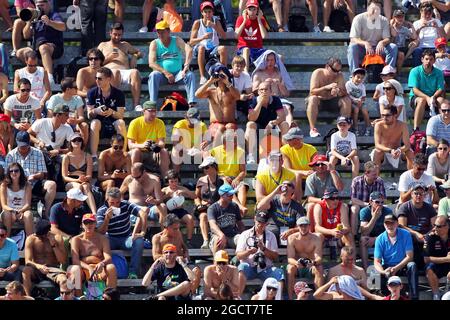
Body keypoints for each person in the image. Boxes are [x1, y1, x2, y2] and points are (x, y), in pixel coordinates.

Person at [96, 187, 149, 279]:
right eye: (112, 203)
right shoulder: (102, 210)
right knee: (99, 242)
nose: (115, 205)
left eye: (117, 202)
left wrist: (143, 232)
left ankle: (133, 272)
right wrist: (107, 219)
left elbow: (143, 213)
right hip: (110, 238)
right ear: (107, 200)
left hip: (126, 238)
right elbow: (101, 232)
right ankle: (103, 271)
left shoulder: (125, 205)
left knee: (139, 241)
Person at [5, 131, 56, 217]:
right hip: (17, 184)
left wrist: (34, 176)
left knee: (51, 184)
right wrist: (19, 178)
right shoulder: (11, 155)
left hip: (35, 183)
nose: (23, 148)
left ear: (29, 143)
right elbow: (7, 175)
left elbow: (43, 173)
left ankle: (46, 213)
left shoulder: (38, 153)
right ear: (17, 143)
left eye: (25, 145)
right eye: (21, 146)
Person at [15, 0, 66, 84]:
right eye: (38, 5)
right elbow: (26, 35)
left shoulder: (54, 15)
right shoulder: (35, 17)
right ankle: (39, 73)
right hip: (36, 48)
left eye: (42, 5)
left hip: (53, 47)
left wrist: (49, 22)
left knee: (43, 48)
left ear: (48, 5)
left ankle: (49, 77)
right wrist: (29, 22)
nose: (40, 7)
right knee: (20, 53)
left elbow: (63, 27)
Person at [148, 20, 196, 106]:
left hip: (178, 75)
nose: (160, 34)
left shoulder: (176, 40)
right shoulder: (154, 43)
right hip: (162, 75)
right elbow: (151, 63)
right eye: (158, 32)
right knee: (153, 75)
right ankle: (152, 104)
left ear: (168, 31)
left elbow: (189, 49)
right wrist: (166, 73)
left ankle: (191, 103)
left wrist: (186, 66)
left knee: (190, 75)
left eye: (162, 31)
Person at [236, 211, 284, 296]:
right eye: (259, 221)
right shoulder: (245, 234)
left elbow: (275, 257)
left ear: (267, 223)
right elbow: (239, 256)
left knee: (279, 272)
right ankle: (237, 297)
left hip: (265, 269)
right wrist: (249, 252)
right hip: (249, 267)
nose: (261, 224)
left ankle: (279, 298)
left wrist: (264, 249)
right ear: (254, 219)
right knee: (242, 267)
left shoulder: (271, 235)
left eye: (263, 222)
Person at [98, 23, 143, 111]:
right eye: (115, 34)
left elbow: (140, 53)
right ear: (110, 33)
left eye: (119, 35)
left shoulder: (125, 44)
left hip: (126, 72)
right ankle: (117, 104)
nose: (117, 37)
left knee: (135, 72)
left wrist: (135, 56)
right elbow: (96, 62)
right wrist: (109, 58)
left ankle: (137, 105)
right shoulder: (103, 45)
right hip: (110, 73)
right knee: (115, 72)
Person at [86, 66, 127, 165]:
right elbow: (89, 115)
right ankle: (94, 156)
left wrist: (111, 112)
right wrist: (96, 111)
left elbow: (120, 116)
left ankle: (123, 154)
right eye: (96, 78)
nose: (97, 80)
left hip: (112, 124)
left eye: (100, 78)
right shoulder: (92, 92)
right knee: (95, 122)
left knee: (121, 123)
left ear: (108, 79)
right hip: (99, 126)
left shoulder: (119, 94)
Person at [70, 213, 117, 295]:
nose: (89, 225)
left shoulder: (103, 239)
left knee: (111, 267)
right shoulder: (76, 239)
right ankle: (79, 297)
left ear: (95, 224)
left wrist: (102, 263)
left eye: (91, 222)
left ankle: (109, 296)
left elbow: (108, 258)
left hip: (99, 269)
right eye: (86, 223)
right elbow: (75, 261)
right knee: (75, 269)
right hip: (83, 269)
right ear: (82, 225)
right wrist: (89, 268)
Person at [374, 214, 418, 300]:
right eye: (387, 223)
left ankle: (414, 297)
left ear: (397, 223)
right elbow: (377, 262)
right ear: (384, 225)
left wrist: (396, 268)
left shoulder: (406, 234)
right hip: (387, 267)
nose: (389, 226)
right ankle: (378, 296)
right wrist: (383, 272)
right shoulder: (379, 239)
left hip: (402, 266)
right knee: (372, 270)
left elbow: (410, 256)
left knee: (412, 265)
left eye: (392, 223)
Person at [347, 0, 398, 73]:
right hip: (363, 48)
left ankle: (388, 73)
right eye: (373, 9)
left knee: (393, 47)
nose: (375, 11)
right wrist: (365, 43)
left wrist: (382, 42)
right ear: (368, 8)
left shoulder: (384, 20)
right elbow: (353, 38)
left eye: (378, 9)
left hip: (378, 48)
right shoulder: (358, 18)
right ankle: (354, 74)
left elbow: (387, 38)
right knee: (352, 47)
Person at [245, 81, 289, 164]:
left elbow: (282, 116)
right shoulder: (252, 100)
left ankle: (286, 153)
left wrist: (272, 123)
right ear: (258, 92)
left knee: (285, 124)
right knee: (250, 124)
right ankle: (251, 155)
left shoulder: (276, 100)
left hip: (272, 127)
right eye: (261, 90)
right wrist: (260, 103)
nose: (263, 92)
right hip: (257, 127)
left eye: (266, 89)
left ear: (270, 91)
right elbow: (251, 118)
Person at [195, 64, 240, 145]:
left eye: (222, 75)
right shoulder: (211, 91)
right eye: (218, 75)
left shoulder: (232, 91)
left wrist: (227, 82)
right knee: (221, 128)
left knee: (228, 127)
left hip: (230, 124)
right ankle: (214, 153)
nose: (220, 78)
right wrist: (210, 81)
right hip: (215, 124)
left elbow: (238, 96)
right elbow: (197, 94)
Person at [28, 104, 74, 181]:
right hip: (40, 151)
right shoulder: (42, 122)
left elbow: (72, 147)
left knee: (66, 158)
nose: (68, 117)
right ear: (58, 115)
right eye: (66, 115)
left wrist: (59, 151)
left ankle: (64, 183)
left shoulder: (67, 127)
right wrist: (38, 141)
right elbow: (27, 134)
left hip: (56, 153)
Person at [306, 57, 351, 137]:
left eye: (338, 71)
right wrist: (326, 87)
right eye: (334, 70)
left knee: (346, 100)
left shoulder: (339, 75)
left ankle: (343, 128)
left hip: (332, 101)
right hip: (319, 101)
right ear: (327, 66)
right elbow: (312, 91)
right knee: (313, 99)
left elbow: (344, 93)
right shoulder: (318, 73)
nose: (336, 73)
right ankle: (312, 129)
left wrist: (338, 91)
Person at [22, 219, 68, 296]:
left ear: (47, 232)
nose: (38, 237)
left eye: (41, 235)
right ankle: (28, 297)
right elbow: (27, 261)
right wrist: (39, 266)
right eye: (37, 234)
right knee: (26, 271)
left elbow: (62, 260)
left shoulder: (57, 238)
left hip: (52, 269)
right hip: (36, 269)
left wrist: (53, 245)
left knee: (63, 279)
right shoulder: (31, 239)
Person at [397, 183, 438, 269]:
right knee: (405, 236)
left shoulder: (429, 208)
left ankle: (429, 267)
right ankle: (410, 266)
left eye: (421, 193)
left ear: (424, 195)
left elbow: (435, 226)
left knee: (434, 238)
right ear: (411, 194)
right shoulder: (404, 207)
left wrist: (426, 235)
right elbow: (401, 226)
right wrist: (415, 234)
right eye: (416, 193)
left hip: (426, 236)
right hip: (410, 236)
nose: (418, 195)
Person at [127, 101, 170, 178]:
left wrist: (156, 145)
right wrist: (142, 145)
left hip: (152, 152)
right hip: (139, 152)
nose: (153, 114)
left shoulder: (160, 123)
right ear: (144, 111)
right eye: (150, 111)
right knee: (136, 151)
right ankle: (133, 178)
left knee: (164, 151)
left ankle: (165, 179)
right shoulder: (135, 123)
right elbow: (130, 145)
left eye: (154, 111)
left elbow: (162, 143)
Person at [252, 50, 295, 125]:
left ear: (276, 61)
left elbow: (286, 94)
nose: (270, 62)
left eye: (272, 60)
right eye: (267, 60)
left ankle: (290, 129)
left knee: (287, 108)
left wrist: (279, 84)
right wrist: (264, 84)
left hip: (277, 100)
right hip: (263, 99)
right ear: (264, 61)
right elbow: (254, 91)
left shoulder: (280, 74)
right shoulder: (258, 74)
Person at [210, 130, 248, 215]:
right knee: (227, 186)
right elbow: (211, 171)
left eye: (236, 141)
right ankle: (240, 208)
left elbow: (243, 171)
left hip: (235, 177)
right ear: (225, 143)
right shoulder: (214, 152)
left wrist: (237, 179)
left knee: (242, 187)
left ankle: (239, 211)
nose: (235, 144)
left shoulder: (240, 152)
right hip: (220, 178)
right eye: (233, 142)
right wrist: (222, 177)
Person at [189, 1, 227, 85]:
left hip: (213, 49)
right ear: (202, 13)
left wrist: (214, 26)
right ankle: (202, 76)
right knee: (202, 47)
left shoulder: (216, 21)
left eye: (209, 12)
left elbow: (224, 36)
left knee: (223, 48)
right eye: (205, 12)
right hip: (200, 49)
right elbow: (191, 42)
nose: (207, 14)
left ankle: (223, 72)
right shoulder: (197, 23)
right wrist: (203, 37)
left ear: (213, 12)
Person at [286, 216, 324, 300]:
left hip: (310, 266)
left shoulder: (316, 238)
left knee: (319, 268)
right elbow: (290, 258)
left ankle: (319, 298)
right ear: (297, 226)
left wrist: (313, 263)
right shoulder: (291, 238)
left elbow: (319, 258)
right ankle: (290, 298)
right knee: (290, 268)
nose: (303, 228)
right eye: (301, 226)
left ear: (309, 226)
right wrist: (296, 263)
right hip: (297, 267)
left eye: (305, 225)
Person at [408, 49, 445, 130]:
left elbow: (440, 88)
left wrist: (433, 97)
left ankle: (445, 126)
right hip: (416, 98)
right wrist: (427, 98)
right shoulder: (414, 71)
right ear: (422, 60)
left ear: (434, 61)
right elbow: (415, 90)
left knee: (442, 101)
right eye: (426, 59)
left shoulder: (439, 72)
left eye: (431, 59)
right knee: (422, 100)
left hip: (433, 98)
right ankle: (416, 129)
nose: (428, 61)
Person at [313, 187, 354, 258]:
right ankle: (316, 263)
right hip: (324, 236)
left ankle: (351, 263)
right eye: (332, 198)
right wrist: (331, 232)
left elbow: (347, 227)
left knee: (349, 236)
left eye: (337, 198)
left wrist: (341, 232)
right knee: (318, 236)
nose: (336, 201)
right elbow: (317, 228)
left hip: (338, 236)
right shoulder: (319, 206)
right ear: (326, 199)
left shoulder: (342, 206)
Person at [61, 133, 96, 214]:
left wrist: (84, 178)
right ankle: (74, 211)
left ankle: (94, 213)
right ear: (70, 143)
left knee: (86, 187)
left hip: (84, 180)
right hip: (70, 181)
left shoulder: (87, 156)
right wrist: (77, 180)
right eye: (74, 140)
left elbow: (89, 175)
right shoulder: (66, 157)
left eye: (79, 140)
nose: (77, 142)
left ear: (82, 142)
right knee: (79, 186)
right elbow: (64, 177)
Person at [195, 157, 225, 249]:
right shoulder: (201, 180)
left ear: (214, 167)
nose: (204, 170)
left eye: (207, 167)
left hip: (218, 209)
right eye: (204, 168)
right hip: (204, 208)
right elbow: (196, 197)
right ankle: (206, 240)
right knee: (203, 216)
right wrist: (199, 205)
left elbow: (226, 196)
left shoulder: (222, 180)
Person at [349, 161, 386, 238]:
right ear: (366, 173)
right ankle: (353, 235)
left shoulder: (379, 181)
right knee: (354, 208)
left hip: (375, 205)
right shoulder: (356, 181)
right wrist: (367, 204)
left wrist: (373, 205)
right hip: (361, 205)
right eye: (374, 174)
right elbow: (353, 199)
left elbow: (383, 198)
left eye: (376, 174)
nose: (376, 176)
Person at [47, 77, 89, 144]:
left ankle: (81, 150)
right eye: (75, 87)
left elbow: (81, 117)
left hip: (73, 123)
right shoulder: (55, 98)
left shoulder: (77, 98)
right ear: (68, 89)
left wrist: (76, 121)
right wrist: (62, 120)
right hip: (58, 123)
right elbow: (49, 117)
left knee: (84, 125)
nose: (77, 89)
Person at [161, 170, 196, 247]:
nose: (174, 183)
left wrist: (184, 192)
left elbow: (194, 196)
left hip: (180, 211)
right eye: (171, 181)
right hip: (169, 211)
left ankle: (188, 241)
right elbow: (159, 200)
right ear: (168, 181)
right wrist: (166, 196)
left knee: (190, 219)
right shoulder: (165, 189)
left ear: (178, 181)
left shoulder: (181, 188)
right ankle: (168, 240)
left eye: (175, 181)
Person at [372, 105, 414, 169]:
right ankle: (375, 178)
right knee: (377, 152)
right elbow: (377, 145)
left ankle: (410, 177)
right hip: (384, 153)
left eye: (387, 115)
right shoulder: (378, 125)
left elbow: (407, 145)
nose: (384, 118)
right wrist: (390, 150)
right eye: (383, 115)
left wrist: (399, 150)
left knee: (410, 152)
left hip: (397, 153)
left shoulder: (402, 125)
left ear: (395, 115)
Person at [359, 191, 393, 269]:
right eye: (377, 202)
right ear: (370, 202)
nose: (380, 204)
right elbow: (364, 231)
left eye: (382, 202)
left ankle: (387, 266)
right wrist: (374, 218)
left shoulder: (388, 212)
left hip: (383, 238)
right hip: (369, 238)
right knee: (363, 239)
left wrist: (375, 239)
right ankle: (366, 268)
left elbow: (391, 231)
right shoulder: (364, 211)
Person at [208, 184, 245, 254]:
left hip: (232, 236)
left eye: (232, 195)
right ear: (222, 195)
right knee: (218, 241)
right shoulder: (212, 208)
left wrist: (244, 235)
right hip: (218, 235)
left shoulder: (234, 206)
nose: (232, 197)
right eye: (229, 195)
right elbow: (212, 226)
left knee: (242, 240)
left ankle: (239, 262)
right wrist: (221, 235)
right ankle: (217, 263)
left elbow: (240, 223)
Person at [171, 107, 209, 173]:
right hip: (182, 152)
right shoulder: (179, 124)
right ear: (186, 118)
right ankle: (175, 177)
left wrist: (204, 144)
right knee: (175, 150)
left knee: (207, 152)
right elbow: (175, 143)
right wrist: (186, 150)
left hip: (197, 152)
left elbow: (207, 140)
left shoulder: (202, 126)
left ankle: (207, 179)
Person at [0, 162, 33, 237]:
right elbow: (4, 205)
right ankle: (5, 240)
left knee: (28, 214)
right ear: (8, 173)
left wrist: (20, 211)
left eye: (16, 170)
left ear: (20, 172)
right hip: (9, 211)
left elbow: (28, 204)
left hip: (22, 211)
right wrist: (13, 211)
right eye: (11, 171)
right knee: (7, 214)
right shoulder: (4, 185)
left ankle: (31, 241)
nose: (13, 173)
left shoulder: (27, 185)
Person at [235, 0, 268, 71]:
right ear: (246, 10)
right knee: (246, 49)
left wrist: (259, 20)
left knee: (278, 57)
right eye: (250, 9)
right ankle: (246, 73)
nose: (252, 12)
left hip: (258, 50)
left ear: (258, 10)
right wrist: (244, 21)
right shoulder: (240, 19)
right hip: (243, 50)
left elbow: (264, 36)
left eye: (254, 9)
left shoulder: (261, 20)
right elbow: (236, 36)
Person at [423, 215, 450, 300]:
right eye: (434, 225)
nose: (435, 228)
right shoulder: (430, 236)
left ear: (447, 226)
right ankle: (436, 295)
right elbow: (426, 259)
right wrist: (446, 259)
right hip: (437, 265)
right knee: (429, 269)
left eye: (438, 226)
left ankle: (447, 292)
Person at [412, 2, 445, 67]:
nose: (427, 16)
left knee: (444, 51)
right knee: (417, 51)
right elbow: (413, 38)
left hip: (435, 47)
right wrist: (421, 27)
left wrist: (437, 27)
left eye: (429, 14)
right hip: (422, 47)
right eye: (425, 14)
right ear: (421, 12)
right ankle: (417, 72)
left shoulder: (436, 21)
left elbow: (443, 37)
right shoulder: (416, 23)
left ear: (432, 13)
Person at [346, 68, 370, 136]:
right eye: (358, 77)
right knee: (356, 110)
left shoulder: (362, 86)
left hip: (360, 102)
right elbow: (347, 95)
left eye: (362, 78)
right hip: (351, 102)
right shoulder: (348, 84)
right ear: (353, 76)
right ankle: (355, 128)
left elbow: (363, 96)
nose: (359, 79)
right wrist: (354, 101)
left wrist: (361, 101)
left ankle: (368, 127)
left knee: (365, 111)